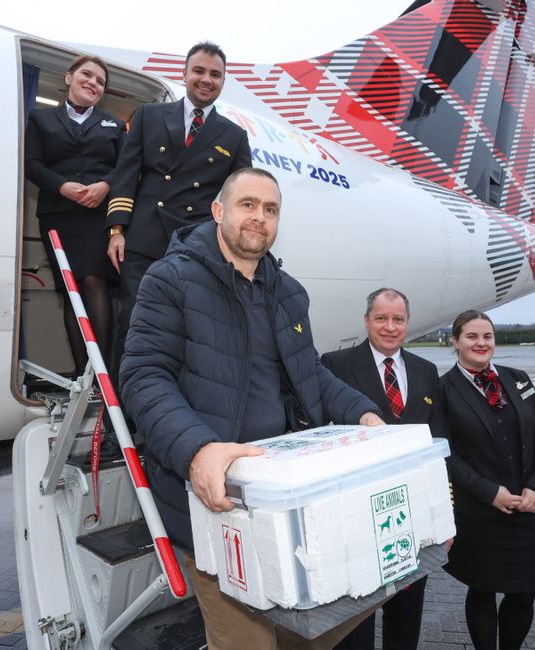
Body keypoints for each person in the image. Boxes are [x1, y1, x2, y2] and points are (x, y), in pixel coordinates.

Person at [120, 167, 384, 649]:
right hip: (215, 501)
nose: (259, 217)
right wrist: (198, 450)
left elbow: (311, 376)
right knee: (247, 642)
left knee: (319, 627)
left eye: (270, 209)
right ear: (218, 211)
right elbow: (142, 376)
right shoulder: (170, 280)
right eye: (247, 204)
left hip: (282, 494)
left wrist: (366, 415)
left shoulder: (288, 292)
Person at [107, 41, 252, 375]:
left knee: (187, 329)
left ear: (223, 80)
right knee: (133, 321)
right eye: (199, 71)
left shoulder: (233, 136)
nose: (206, 79)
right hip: (144, 239)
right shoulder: (149, 115)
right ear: (184, 74)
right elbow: (126, 174)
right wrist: (117, 230)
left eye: (215, 74)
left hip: (194, 247)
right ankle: (122, 408)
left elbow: (239, 198)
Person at [430, 310, 535, 650]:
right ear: (455, 342)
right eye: (472, 336)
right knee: (482, 589)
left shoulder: (518, 379)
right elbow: (444, 453)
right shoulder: (442, 390)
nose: (481, 343)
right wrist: (489, 493)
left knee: (524, 594)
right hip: (479, 511)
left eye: (487, 336)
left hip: (526, 507)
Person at [320, 287, 438, 650]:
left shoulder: (426, 370)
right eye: (381, 318)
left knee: (406, 615)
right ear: (366, 320)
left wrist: (440, 518)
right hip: (358, 515)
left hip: (412, 514)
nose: (390, 327)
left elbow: (439, 445)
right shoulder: (335, 365)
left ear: (407, 323)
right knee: (356, 618)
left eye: (398, 319)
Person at [25, 55, 124, 373]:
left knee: (94, 282)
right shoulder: (41, 120)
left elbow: (126, 167)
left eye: (100, 81)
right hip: (58, 214)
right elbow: (32, 164)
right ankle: (83, 372)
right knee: (72, 292)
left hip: (97, 215)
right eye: (87, 75)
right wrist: (62, 186)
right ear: (69, 77)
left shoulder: (114, 125)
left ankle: (101, 372)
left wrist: (106, 185)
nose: (93, 83)